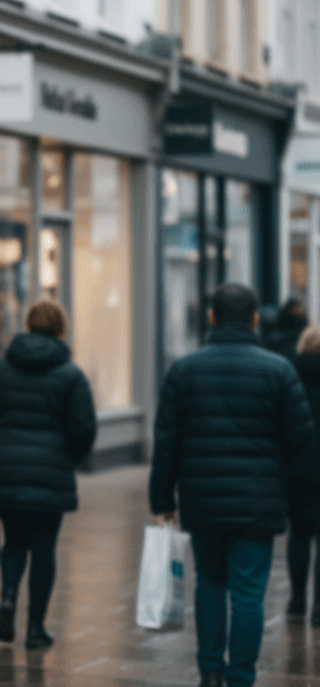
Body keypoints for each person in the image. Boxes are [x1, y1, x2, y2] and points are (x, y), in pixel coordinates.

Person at [151, 283, 315, 687]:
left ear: (211, 318)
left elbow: (166, 441)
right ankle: (240, 676)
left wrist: (162, 500)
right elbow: (300, 435)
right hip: (258, 502)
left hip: (202, 500)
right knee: (248, 592)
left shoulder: (183, 371)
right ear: (255, 319)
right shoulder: (279, 370)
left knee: (209, 581)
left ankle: (210, 670)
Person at [0, 300, 97, 649]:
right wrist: (69, 457)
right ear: (61, 328)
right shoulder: (70, 374)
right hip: (51, 475)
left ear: (27, 325)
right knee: (44, 547)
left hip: (6, 472)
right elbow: (85, 429)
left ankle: (9, 598)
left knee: (14, 543)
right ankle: (36, 628)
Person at [287, 325, 320, 623]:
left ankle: (297, 600)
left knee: (298, 534)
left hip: (298, 468)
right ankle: (319, 607)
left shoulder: (288, 376)